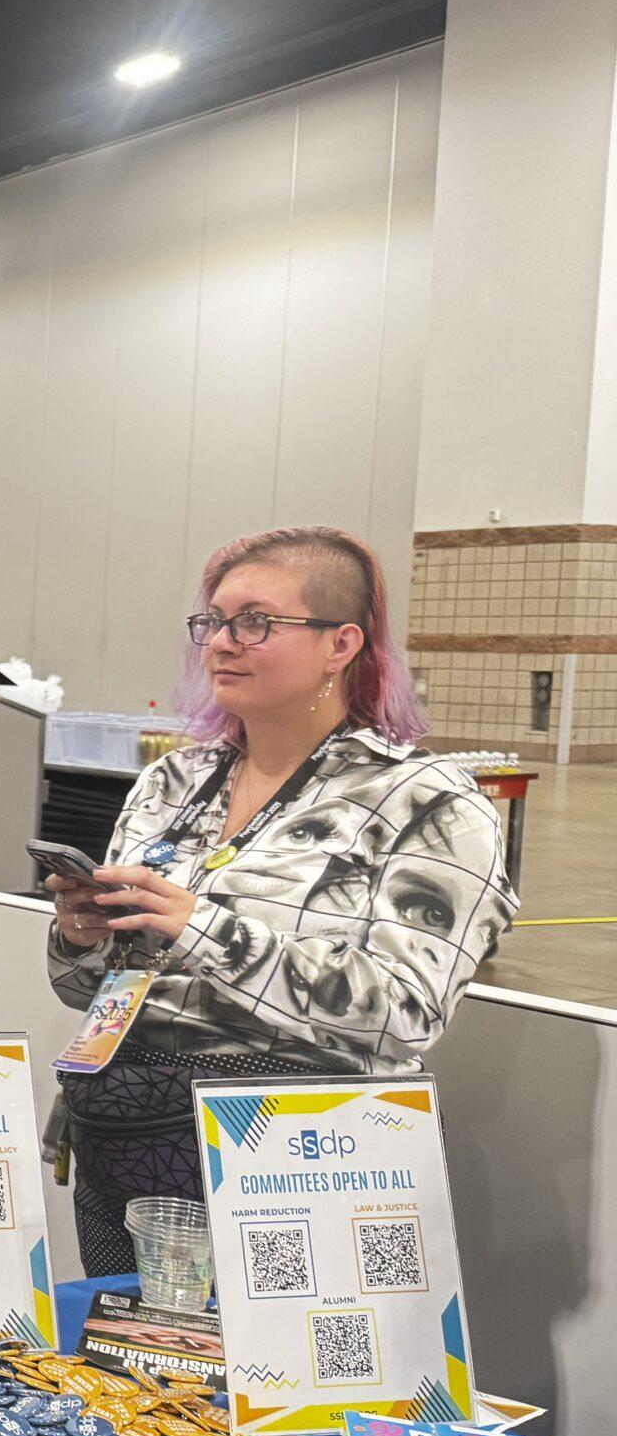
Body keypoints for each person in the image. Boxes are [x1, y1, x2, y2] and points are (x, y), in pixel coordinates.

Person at [41, 524, 514, 1275]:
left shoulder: (428, 803)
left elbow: (405, 1010)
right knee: (132, 1351)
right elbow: (87, 993)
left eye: (255, 622)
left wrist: (201, 929)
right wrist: (81, 937)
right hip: (128, 1156)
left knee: (283, 1357)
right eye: (213, 621)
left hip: (303, 1168)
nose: (221, 643)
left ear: (341, 643)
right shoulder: (172, 783)